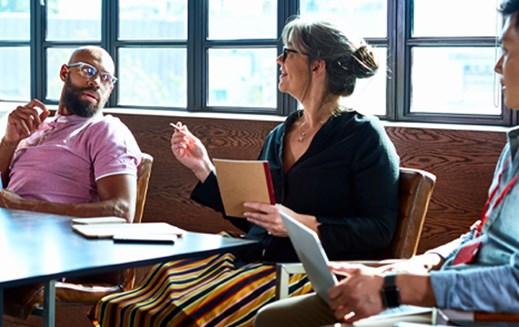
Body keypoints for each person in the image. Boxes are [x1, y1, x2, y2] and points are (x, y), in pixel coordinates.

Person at [93, 18, 399, 327]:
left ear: (317, 66)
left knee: (183, 316)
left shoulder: (364, 137)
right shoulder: (280, 134)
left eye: (288, 52)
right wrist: (203, 167)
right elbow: (254, 216)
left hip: (303, 276)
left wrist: (302, 225)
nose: (279, 60)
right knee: (135, 302)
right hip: (254, 260)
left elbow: (379, 229)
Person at [254, 2, 519, 326]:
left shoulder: (361, 135)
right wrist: (421, 263)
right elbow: (483, 235)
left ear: (318, 66)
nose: (496, 67)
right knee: (273, 319)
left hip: (471, 310)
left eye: (506, 50)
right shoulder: (512, 151)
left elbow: (513, 283)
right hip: (440, 287)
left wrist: (395, 287)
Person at [1, 46, 141, 318]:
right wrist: (9, 140)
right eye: (88, 71)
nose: (96, 81)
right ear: (65, 73)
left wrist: (24, 207)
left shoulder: (106, 130)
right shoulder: (35, 126)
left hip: (52, 245)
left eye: (106, 78)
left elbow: (122, 211)